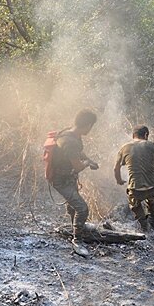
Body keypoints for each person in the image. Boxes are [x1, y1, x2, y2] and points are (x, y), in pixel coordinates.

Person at [50, 109, 99, 256]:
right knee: (82, 208)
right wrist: (86, 163)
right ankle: (77, 241)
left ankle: (77, 226)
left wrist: (88, 159)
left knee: (73, 205)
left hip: (67, 177)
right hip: (61, 181)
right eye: (91, 126)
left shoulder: (71, 134)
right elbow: (77, 166)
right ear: (88, 125)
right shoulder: (70, 142)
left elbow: (78, 153)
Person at [114, 125, 154, 232]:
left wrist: (119, 180)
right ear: (146, 135)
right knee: (152, 200)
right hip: (153, 187)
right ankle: (152, 222)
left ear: (133, 136)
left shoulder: (124, 148)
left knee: (135, 205)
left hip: (135, 188)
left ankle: (144, 225)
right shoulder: (151, 145)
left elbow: (116, 168)